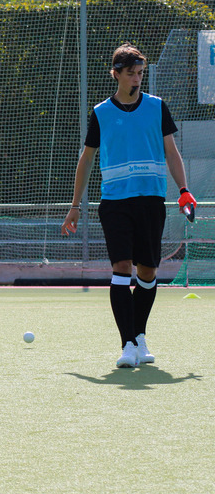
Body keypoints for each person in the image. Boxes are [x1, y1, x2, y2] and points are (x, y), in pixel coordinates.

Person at [62, 43, 195, 368]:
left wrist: (184, 189)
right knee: (121, 268)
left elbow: (171, 152)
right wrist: (75, 205)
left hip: (151, 202)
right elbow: (87, 159)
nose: (137, 79)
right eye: (132, 73)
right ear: (117, 74)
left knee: (148, 272)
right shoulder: (101, 113)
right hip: (115, 204)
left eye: (140, 73)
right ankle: (127, 345)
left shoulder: (156, 107)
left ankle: (139, 336)